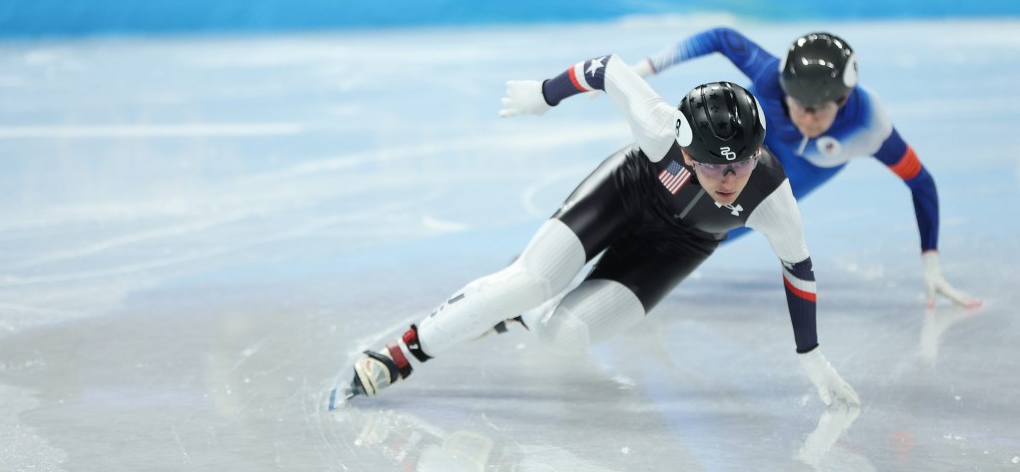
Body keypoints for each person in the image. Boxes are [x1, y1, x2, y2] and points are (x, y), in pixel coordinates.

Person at [332, 55, 859, 409]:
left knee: (563, 335)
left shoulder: (771, 195)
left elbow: (799, 269)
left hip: (681, 244)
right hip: (626, 192)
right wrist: (546, 93)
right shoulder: (659, 128)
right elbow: (607, 68)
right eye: (712, 166)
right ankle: (402, 353)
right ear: (683, 148)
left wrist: (809, 352)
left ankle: (515, 315)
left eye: (740, 166)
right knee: (527, 282)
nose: (728, 181)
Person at [628, 28, 979, 308]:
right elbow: (721, 37)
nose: (805, 118)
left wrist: (931, 260)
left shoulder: (870, 125)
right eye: (797, 105)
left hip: (775, 184)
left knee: (701, 235)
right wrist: (644, 68)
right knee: (647, 193)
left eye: (818, 110)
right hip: (734, 155)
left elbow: (921, 182)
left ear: (842, 100)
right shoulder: (769, 77)